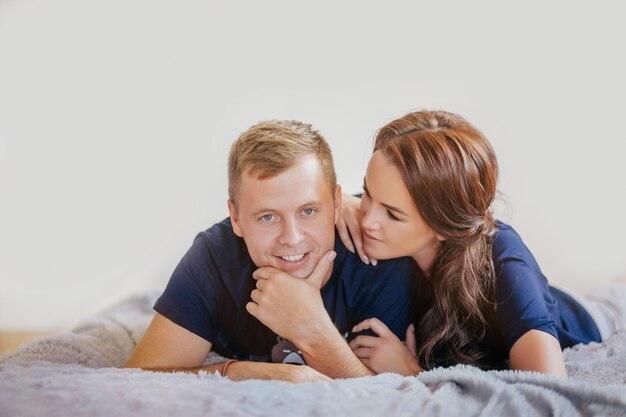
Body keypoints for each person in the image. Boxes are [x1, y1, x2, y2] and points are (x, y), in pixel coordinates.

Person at [338, 110, 626, 378]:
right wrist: (341, 204)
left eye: (392, 214)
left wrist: (413, 371)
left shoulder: (501, 259)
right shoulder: (368, 223)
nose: (367, 221)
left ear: (443, 225)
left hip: (598, 316)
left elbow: (547, 389)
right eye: (367, 192)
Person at [125, 119, 418, 382]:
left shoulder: (378, 261)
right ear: (236, 219)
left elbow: (382, 396)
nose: (291, 238)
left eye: (308, 211)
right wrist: (240, 371)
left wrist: (312, 328)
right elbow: (138, 379)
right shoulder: (214, 257)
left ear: (337, 205)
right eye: (268, 217)